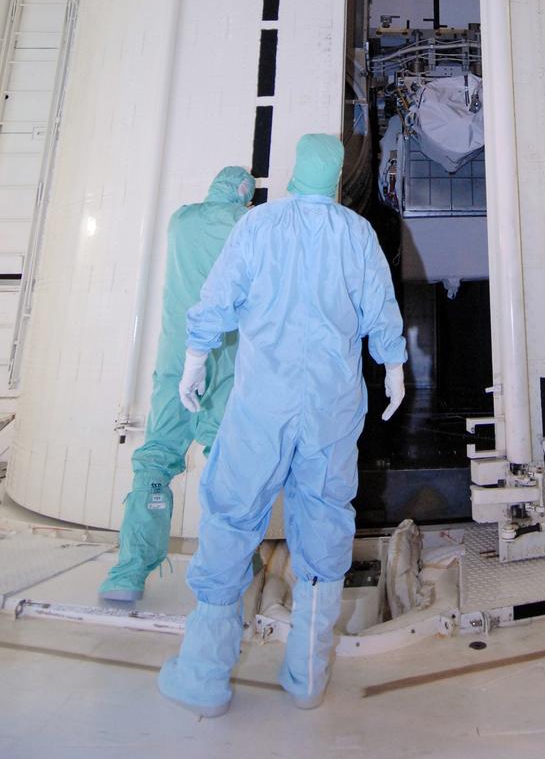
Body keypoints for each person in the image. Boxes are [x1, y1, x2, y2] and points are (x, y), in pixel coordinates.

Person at [158, 133, 406, 717]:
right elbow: (381, 311)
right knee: (324, 525)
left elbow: (217, 299)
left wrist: (194, 358)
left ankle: (203, 679)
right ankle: (307, 677)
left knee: (230, 520)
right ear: (338, 176)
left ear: (296, 170)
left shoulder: (259, 227)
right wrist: (394, 369)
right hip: (329, 409)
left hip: (260, 408)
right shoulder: (357, 234)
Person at [100, 166, 255, 603]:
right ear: (244, 195)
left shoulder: (180, 219)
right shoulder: (247, 225)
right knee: (225, 464)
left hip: (175, 359)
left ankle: (128, 572)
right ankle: (234, 565)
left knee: (155, 461)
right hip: (222, 361)